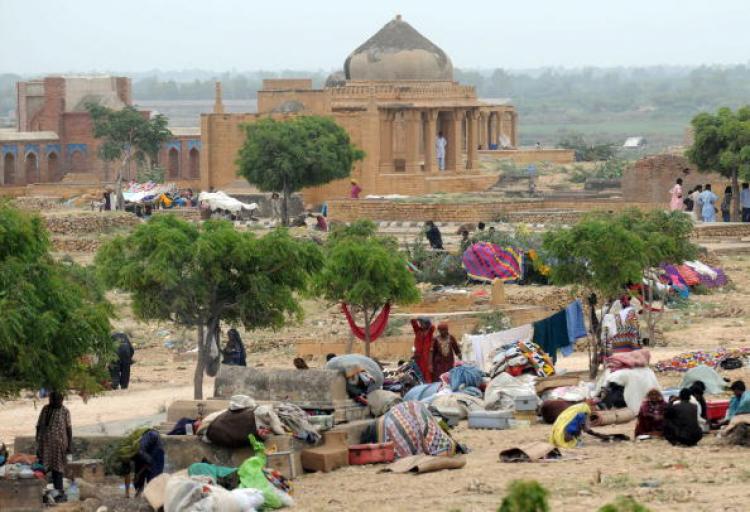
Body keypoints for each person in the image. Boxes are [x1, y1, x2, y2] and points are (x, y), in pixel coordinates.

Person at [36, 392, 72, 502]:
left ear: (62, 400)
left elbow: (68, 428)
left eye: (57, 400)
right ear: (50, 399)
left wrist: (69, 445)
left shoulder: (65, 411)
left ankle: (59, 495)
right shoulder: (45, 409)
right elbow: (38, 426)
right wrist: (38, 442)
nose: (55, 402)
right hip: (45, 445)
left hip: (59, 446)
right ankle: (41, 494)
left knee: (58, 470)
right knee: (42, 469)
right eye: (53, 400)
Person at [133, 429, 165, 496]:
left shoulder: (141, 447)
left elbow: (141, 452)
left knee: (154, 475)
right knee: (147, 471)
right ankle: (141, 489)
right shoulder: (138, 451)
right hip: (151, 448)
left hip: (155, 448)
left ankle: (153, 493)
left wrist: (149, 462)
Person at [411, 318, 435, 383]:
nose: (421, 324)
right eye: (420, 323)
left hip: (426, 356)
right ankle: (419, 384)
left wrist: (425, 319)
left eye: (423, 323)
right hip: (418, 355)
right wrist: (417, 319)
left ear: (427, 324)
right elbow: (413, 322)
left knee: (427, 371)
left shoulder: (429, 333)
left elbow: (433, 327)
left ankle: (427, 385)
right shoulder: (418, 331)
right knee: (418, 370)